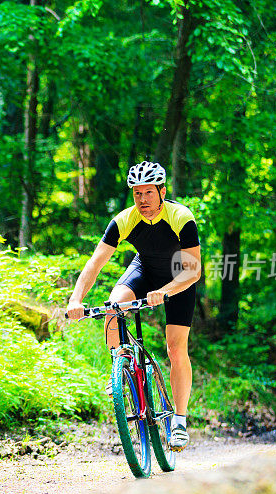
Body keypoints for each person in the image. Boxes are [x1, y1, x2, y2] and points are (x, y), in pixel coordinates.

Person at [66, 161, 201, 451]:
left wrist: (164, 291)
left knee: (175, 348)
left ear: (162, 192)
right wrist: (75, 299)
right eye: (137, 193)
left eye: (149, 193)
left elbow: (193, 271)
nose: (143, 200)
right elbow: (95, 263)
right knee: (113, 306)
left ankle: (179, 420)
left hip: (178, 279)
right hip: (144, 269)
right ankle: (121, 369)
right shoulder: (124, 219)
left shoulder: (181, 216)